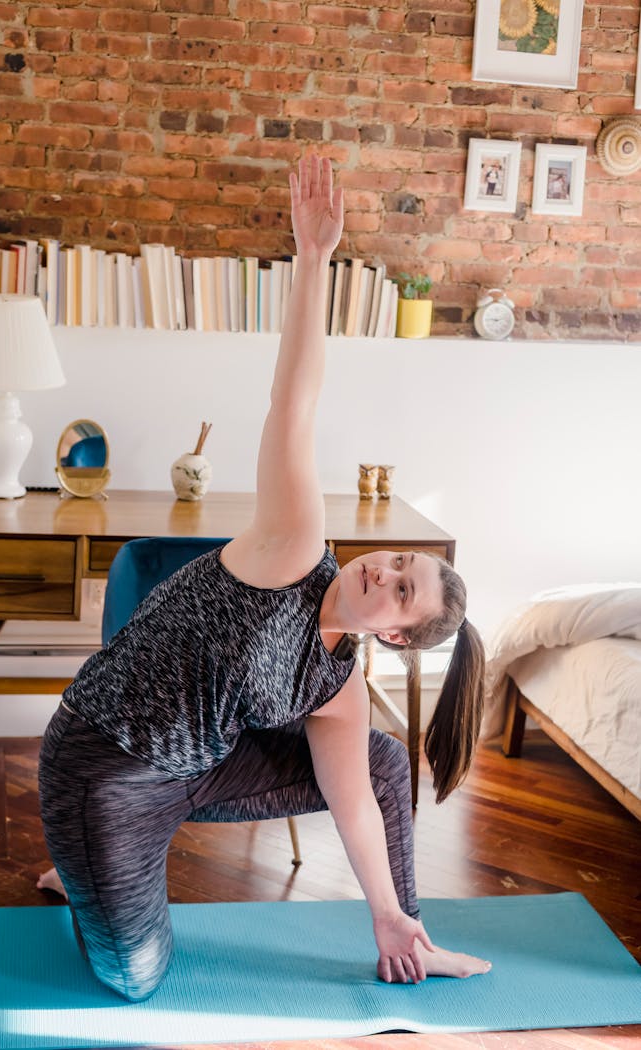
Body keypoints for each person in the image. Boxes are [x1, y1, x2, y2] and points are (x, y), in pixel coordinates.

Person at [38, 154, 490, 1002]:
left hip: (194, 772)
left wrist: (384, 915)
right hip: (105, 765)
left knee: (380, 767)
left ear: (393, 634)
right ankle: (85, 863)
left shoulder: (339, 684)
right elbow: (295, 404)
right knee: (134, 979)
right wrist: (314, 259)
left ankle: (412, 933)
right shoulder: (293, 547)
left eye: (402, 590)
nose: (383, 572)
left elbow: (354, 808)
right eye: (397, 562)